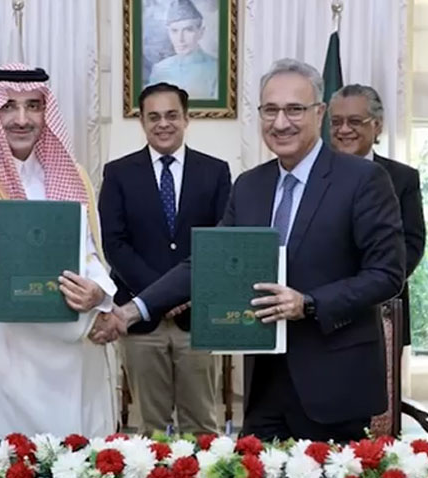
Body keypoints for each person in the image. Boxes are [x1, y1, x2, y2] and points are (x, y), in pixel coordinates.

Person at [107, 59, 406, 442]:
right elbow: (207, 263)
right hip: (264, 387)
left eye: (294, 109)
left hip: (334, 381)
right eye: (270, 110)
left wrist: (309, 303)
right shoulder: (250, 186)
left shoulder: (363, 180)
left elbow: (386, 274)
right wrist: (132, 311)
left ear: (319, 113)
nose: (281, 123)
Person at [0, 64, 121, 439]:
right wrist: (87, 320)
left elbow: (88, 251)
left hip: (69, 365)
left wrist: (100, 295)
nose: (22, 119)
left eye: (33, 106)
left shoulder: (71, 174)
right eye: (9, 107)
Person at [99, 82, 230, 434]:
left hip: (197, 318)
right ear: (142, 121)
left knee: (202, 425)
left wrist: (184, 293)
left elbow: (221, 241)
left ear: (187, 118)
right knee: (149, 429)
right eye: (153, 116)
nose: (163, 124)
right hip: (141, 321)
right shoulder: (118, 173)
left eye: (172, 115)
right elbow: (114, 244)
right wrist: (159, 296)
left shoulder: (215, 171)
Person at [329, 84, 426, 349]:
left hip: (381, 307)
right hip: (322, 308)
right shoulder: (312, 175)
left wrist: (371, 286)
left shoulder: (402, 178)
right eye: (336, 121)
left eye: (354, 121)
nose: (344, 130)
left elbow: (412, 244)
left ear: (377, 126)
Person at [147, 0, 218, 99]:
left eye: (188, 30)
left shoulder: (216, 69)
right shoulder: (159, 69)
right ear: (168, 32)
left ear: (201, 32)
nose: (180, 39)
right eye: (174, 31)